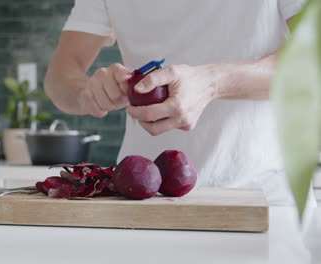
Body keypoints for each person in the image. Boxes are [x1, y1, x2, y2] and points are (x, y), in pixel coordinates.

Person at [44, 0, 315, 206]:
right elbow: (59, 78)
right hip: (144, 204)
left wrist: (212, 82)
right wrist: (88, 93)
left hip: (265, 200)